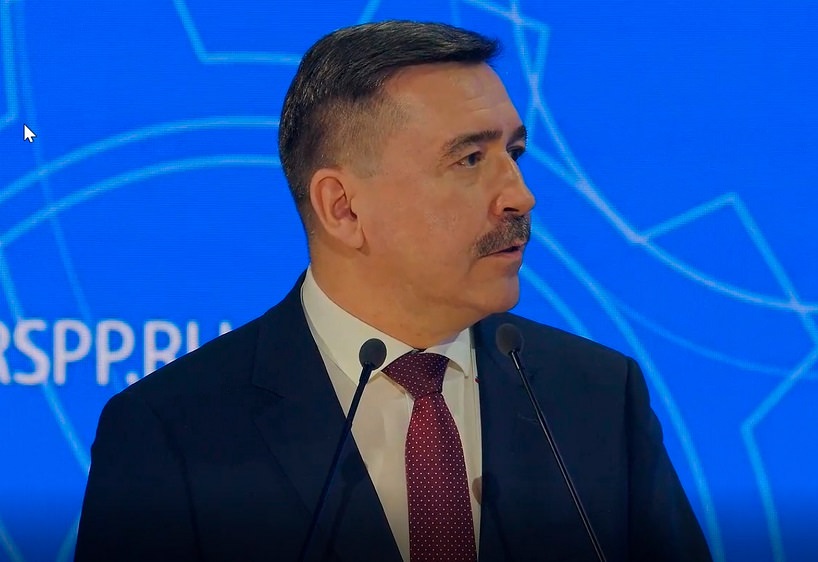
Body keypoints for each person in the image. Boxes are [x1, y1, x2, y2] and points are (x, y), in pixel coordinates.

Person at [75, 20, 712, 562]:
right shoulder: (174, 432)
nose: (520, 196)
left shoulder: (597, 397)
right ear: (344, 208)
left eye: (514, 153)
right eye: (469, 160)